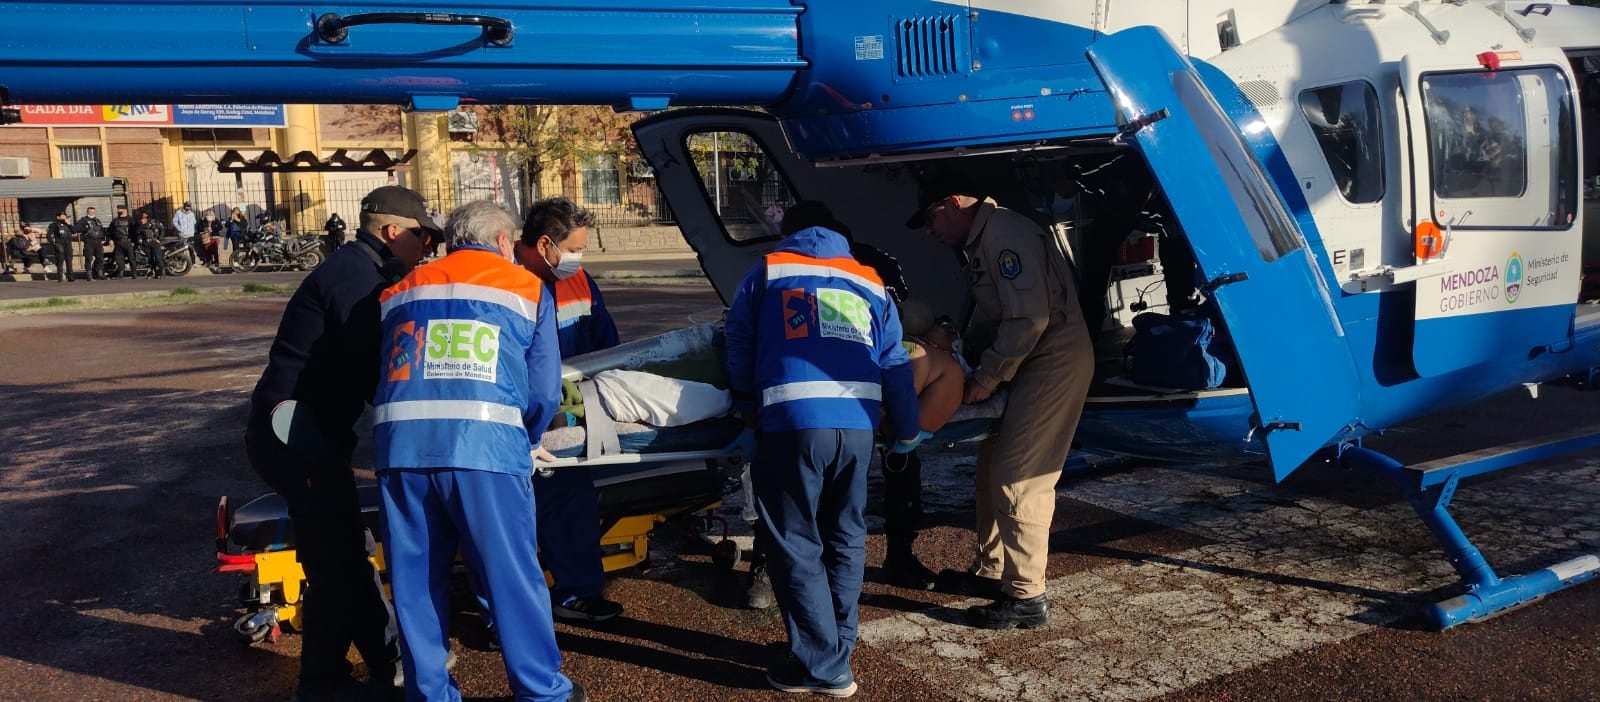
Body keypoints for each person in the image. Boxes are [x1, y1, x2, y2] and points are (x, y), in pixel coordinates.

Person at [372, 200, 585, 702]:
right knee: (511, 574)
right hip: (485, 450)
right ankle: (541, 690)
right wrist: (528, 439)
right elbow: (542, 392)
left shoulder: (398, 290)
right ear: (503, 241)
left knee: (415, 581)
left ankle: (430, 693)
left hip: (402, 450)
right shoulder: (525, 287)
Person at [243, 185, 439, 702]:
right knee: (336, 561)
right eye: (424, 237)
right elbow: (377, 367)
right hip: (297, 435)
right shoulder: (357, 279)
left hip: (305, 433)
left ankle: (376, 662)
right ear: (394, 232)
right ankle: (325, 681)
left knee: (343, 555)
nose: (429, 249)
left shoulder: (358, 269)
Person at [723, 213, 924, 697]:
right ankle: (837, 646)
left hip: (791, 423)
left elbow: (738, 342)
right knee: (847, 534)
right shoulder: (870, 282)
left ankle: (824, 665)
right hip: (857, 426)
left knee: (795, 542)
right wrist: (909, 429)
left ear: (787, 231)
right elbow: (895, 362)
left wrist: (747, 411)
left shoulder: (767, 272)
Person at [906, 173, 1094, 630]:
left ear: (952, 202)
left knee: (1019, 475)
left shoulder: (1005, 233)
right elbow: (997, 315)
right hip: (1028, 361)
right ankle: (994, 573)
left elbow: (1030, 317)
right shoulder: (983, 240)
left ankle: (1027, 596)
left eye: (932, 221)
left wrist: (987, 377)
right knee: (992, 467)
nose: (931, 234)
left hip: (1051, 361)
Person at [512, 195, 623, 623]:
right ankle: (508, 612)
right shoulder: (507, 282)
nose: (579, 258)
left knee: (569, 501)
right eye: (574, 248)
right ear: (544, 245)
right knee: (514, 513)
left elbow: (606, 345)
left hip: (567, 416)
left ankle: (577, 591)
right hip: (515, 417)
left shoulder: (578, 281)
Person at [76, 207, 105, 280]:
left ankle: (100, 274)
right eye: (90, 212)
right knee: (89, 258)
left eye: (93, 212)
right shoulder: (83, 220)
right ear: (87, 212)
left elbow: (102, 229)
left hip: (98, 242)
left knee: (100, 258)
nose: (92, 213)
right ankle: (89, 275)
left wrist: (104, 237)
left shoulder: (97, 220)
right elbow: (77, 229)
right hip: (89, 241)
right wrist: (85, 229)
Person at [106, 206, 135, 279]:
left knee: (131, 259)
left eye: (120, 209)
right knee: (119, 259)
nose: (118, 210)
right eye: (118, 209)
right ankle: (120, 274)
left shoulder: (130, 220)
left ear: (125, 210)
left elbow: (135, 231)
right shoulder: (115, 220)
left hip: (128, 241)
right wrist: (110, 239)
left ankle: (134, 273)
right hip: (118, 242)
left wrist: (134, 241)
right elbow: (109, 231)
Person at [46, 212, 75, 282]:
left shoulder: (68, 224)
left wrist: (70, 224)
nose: (64, 217)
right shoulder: (54, 225)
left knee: (69, 261)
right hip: (59, 244)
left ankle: (70, 276)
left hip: (68, 244)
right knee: (60, 261)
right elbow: (49, 235)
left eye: (65, 216)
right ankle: (60, 276)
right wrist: (54, 243)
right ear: (58, 217)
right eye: (62, 216)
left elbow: (74, 231)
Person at [135, 212, 165, 278]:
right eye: (142, 217)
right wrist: (140, 241)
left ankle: (162, 272)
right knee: (150, 259)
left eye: (145, 216)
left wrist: (160, 239)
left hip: (155, 242)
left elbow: (162, 229)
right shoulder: (139, 223)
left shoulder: (154, 222)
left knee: (158, 258)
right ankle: (155, 272)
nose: (144, 218)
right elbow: (138, 233)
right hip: (146, 243)